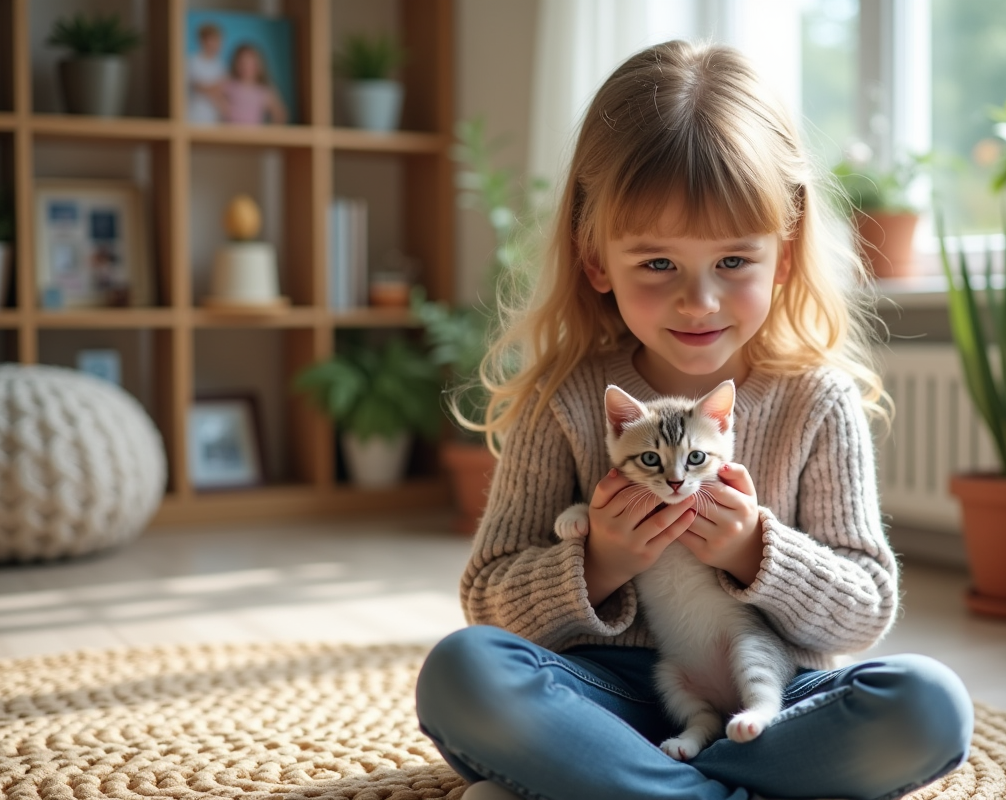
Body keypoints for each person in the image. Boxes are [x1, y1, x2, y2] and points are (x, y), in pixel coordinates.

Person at [415, 40, 974, 800]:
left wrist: (754, 551)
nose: (699, 301)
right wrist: (600, 561)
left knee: (927, 705)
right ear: (595, 260)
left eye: (733, 262)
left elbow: (864, 609)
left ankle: (623, 789)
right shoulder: (567, 400)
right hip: (602, 698)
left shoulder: (817, 400)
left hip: (766, 699)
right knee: (463, 671)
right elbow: (488, 599)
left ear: (784, 255)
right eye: (658, 264)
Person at [222, 43, 287, 126]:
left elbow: (280, 114)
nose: (246, 67)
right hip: (231, 131)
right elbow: (212, 92)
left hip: (254, 132)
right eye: (242, 63)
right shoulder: (230, 84)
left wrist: (271, 130)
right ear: (235, 64)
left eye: (250, 63)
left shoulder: (262, 90)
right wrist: (223, 106)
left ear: (258, 65)